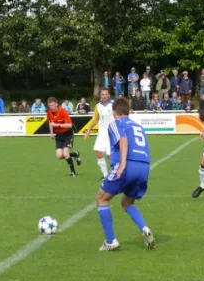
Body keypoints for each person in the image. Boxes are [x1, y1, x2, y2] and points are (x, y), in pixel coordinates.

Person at [95, 98, 155, 251]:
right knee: (127, 203)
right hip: (144, 167)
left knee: (101, 199)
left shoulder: (116, 123)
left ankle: (110, 241)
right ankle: (144, 228)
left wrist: (121, 164)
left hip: (128, 166)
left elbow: (123, 139)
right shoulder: (138, 126)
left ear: (114, 112)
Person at [47, 97, 81, 176]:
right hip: (59, 135)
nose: (51, 107)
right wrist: (51, 133)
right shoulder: (49, 112)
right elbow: (50, 122)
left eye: (52, 105)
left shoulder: (63, 111)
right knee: (59, 156)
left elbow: (69, 125)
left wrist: (57, 125)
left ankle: (73, 172)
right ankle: (75, 155)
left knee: (65, 153)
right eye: (49, 106)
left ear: (56, 104)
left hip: (68, 134)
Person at [84, 88, 112, 178]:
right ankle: (105, 175)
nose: (104, 96)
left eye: (105, 94)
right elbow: (95, 119)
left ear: (109, 95)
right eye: (102, 94)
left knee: (110, 156)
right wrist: (88, 130)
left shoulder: (114, 104)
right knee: (99, 154)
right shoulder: (98, 106)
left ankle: (118, 173)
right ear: (100, 95)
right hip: (102, 133)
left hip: (112, 133)